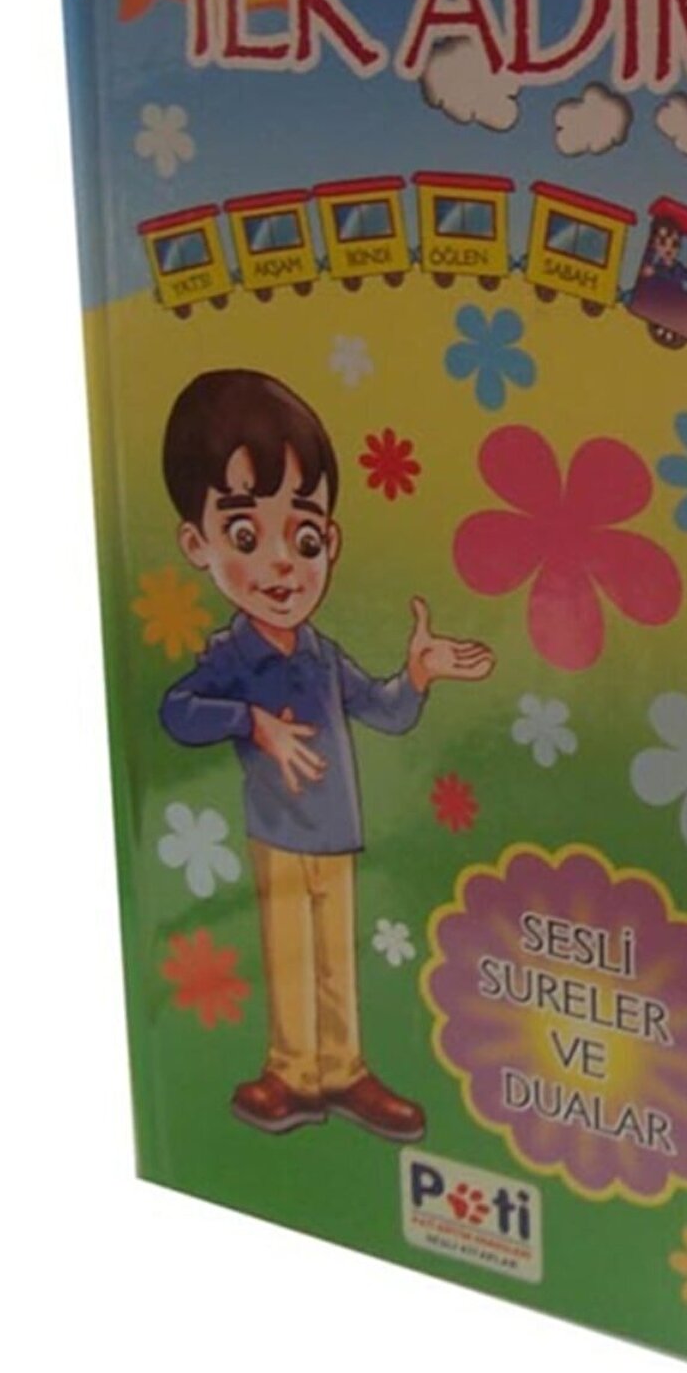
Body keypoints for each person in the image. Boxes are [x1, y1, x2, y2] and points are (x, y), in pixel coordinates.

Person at [159, 368, 495, 1140]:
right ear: (197, 544)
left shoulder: (321, 655)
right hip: (279, 834)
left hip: (338, 833)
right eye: (246, 536)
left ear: (330, 543)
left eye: (304, 538)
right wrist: (253, 722)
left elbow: (385, 711)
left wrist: (419, 673)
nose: (283, 563)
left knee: (336, 958)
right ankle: (291, 1072)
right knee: (288, 956)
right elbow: (178, 710)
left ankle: (343, 1071)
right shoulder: (232, 655)